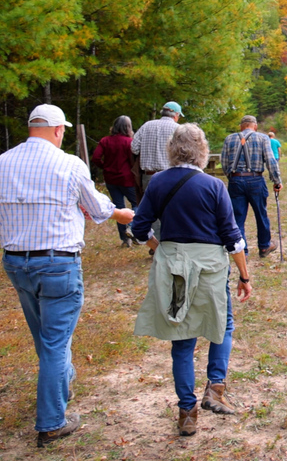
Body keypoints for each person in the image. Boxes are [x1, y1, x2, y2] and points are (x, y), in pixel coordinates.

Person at [0, 105, 135, 447]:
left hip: (15, 262)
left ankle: (60, 382)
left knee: (44, 335)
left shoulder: (2, 163)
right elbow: (99, 208)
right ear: (58, 130)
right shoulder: (69, 164)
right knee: (55, 342)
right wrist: (122, 214)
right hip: (57, 263)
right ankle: (52, 421)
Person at [129, 124, 251, 438]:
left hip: (174, 268)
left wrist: (161, 250)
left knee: (182, 338)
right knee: (221, 325)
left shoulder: (157, 183)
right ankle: (216, 387)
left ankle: (187, 413)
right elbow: (232, 238)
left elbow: (139, 229)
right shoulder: (213, 186)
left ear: (173, 149)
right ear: (201, 151)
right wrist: (244, 275)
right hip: (210, 266)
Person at [220, 115, 282, 258]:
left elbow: (224, 162)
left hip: (236, 180)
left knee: (237, 217)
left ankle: (242, 251)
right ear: (255, 126)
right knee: (261, 214)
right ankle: (264, 246)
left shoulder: (229, 139)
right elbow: (270, 160)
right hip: (256, 180)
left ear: (241, 126)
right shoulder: (262, 138)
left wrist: (231, 176)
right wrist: (276, 180)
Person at [131, 101, 182, 239]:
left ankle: (155, 245)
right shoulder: (178, 129)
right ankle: (167, 242)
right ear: (175, 115)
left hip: (149, 176)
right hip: (171, 176)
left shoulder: (147, 126)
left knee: (152, 211)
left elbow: (134, 147)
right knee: (171, 210)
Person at [91, 115, 139, 247]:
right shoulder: (129, 142)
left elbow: (95, 158)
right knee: (138, 203)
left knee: (119, 208)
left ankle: (125, 240)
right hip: (127, 179)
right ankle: (131, 226)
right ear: (128, 128)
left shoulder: (105, 141)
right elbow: (133, 161)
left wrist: (104, 167)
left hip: (111, 179)